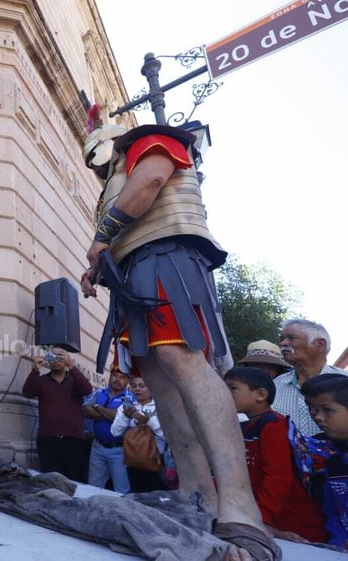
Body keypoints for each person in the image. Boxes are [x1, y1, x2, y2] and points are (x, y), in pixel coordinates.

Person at [79, 105, 279, 560]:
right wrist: (98, 265)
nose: (93, 163)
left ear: (112, 139)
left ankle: (239, 506)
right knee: (162, 381)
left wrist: (100, 239)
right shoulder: (112, 177)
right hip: (132, 273)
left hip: (167, 258)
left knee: (182, 361)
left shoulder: (149, 141)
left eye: (96, 152)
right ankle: (197, 497)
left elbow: (149, 183)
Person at [223, 367, 327, 544]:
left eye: (232, 388)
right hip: (263, 513)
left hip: (288, 518)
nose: (224, 394)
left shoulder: (274, 425)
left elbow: (278, 477)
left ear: (261, 395)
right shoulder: (246, 426)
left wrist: (262, 521)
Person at [21, 345, 92, 481]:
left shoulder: (74, 380)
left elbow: (87, 390)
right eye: (52, 356)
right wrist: (35, 370)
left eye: (60, 356)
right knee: (50, 481)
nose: (56, 360)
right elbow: (27, 392)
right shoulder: (42, 380)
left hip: (74, 440)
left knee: (75, 481)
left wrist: (72, 367)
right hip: (48, 440)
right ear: (48, 360)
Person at [274, 319, 348, 437]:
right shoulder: (275, 385)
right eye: (282, 339)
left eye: (291, 337)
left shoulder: (345, 381)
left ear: (320, 344)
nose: (283, 343)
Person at [301, 374, 348, 549]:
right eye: (312, 409)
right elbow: (333, 512)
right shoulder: (332, 462)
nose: (318, 417)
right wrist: (338, 543)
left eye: (327, 410)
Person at [111, 374, 168, 492]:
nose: (137, 389)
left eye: (142, 386)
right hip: (133, 461)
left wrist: (149, 422)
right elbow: (115, 432)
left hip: (156, 462)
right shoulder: (125, 408)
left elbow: (167, 435)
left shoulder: (161, 407)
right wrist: (126, 417)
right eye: (134, 386)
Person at [82, 365, 132, 493]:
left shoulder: (130, 398)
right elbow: (86, 410)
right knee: (92, 488)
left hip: (119, 450)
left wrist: (100, 409)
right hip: (97, 447)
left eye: (122, 377)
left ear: (127, 380)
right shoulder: (99, 392)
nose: (118, 379)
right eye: (115, 375)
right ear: (110, 376)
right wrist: (111, 415)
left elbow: (120, 417)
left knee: (121, 490)